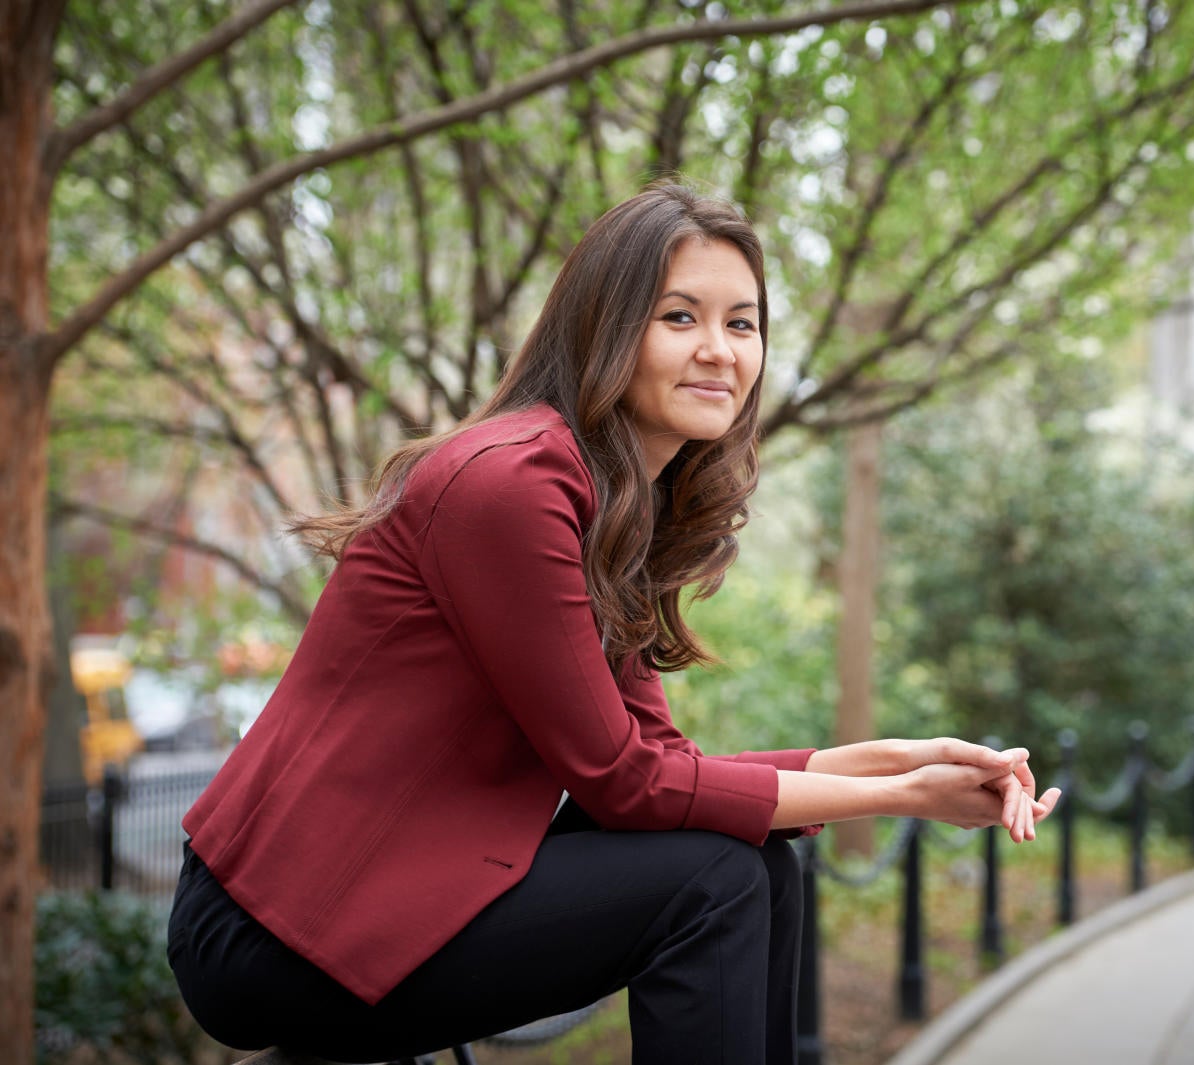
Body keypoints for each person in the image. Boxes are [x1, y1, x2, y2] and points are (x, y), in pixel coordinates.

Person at [166, 182, 1059, 1065]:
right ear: (606, 326)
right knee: (712, 883)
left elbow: (663, 767)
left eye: (742, 324)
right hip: (278, 927)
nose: (719, 351)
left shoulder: (611, 502)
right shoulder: (510, 482)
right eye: (680, 317)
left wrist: (895, 757)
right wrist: (903, 797)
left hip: (397, 892)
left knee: (760, 864)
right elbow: (623, 784)